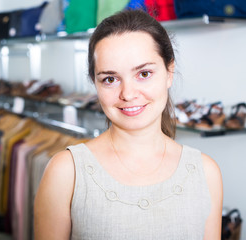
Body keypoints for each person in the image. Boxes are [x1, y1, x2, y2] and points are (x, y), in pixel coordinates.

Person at [34, 9, 223, 240]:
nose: (128, 94)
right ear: (95, 83)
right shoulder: (66, 171)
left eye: (144, 73)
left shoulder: (205, 172)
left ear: (169, 72)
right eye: (110, 79)